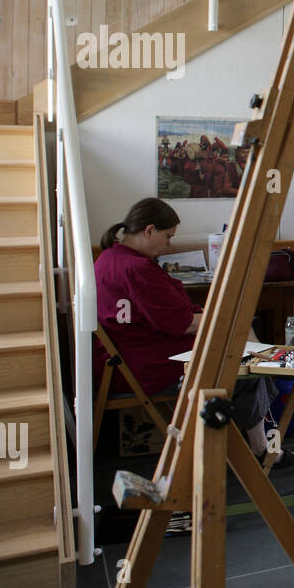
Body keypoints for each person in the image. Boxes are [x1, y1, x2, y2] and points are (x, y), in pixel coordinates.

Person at [93, 198, 281, 463]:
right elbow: (178, 323)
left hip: (127, 356)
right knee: (243, 358)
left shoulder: (110, 257)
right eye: (167, 236)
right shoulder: (136, 269)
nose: (168, 245)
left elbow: (167, 314)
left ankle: (256, 439)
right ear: (148, 231)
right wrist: (225, 319)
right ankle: (260, 447)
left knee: (243, 342)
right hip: (144, 366)